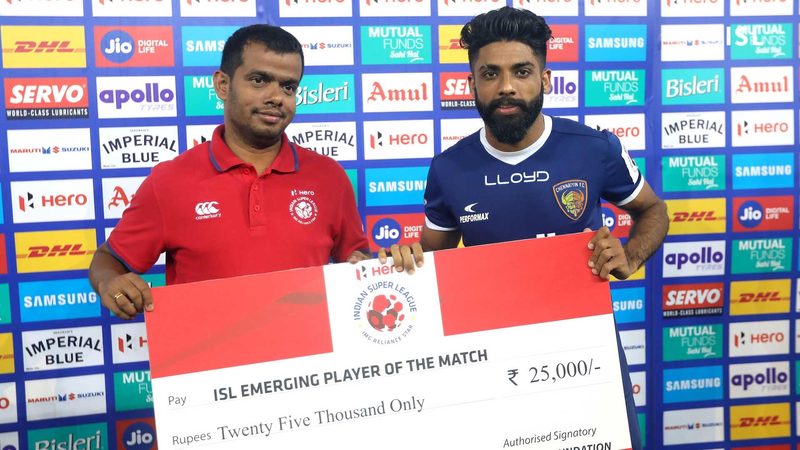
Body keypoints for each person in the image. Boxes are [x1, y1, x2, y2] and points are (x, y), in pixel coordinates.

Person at [395, 7, 668, 448]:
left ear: (544, 79)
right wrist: (405, 261)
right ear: (472, 84)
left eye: (521, 72)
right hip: (489, 358)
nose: (506, 86)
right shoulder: (449, 168)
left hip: (587, 352)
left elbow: (653, 210)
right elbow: (431, 261)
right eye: (490, 73)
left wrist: (630, 256)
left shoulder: (594, 148)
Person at [89, 24, 420, 320]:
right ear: (223, 84)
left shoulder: (329, 178)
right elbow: (108, 259)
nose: (276, 97)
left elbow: (356, 261)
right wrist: (110, 282)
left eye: (288, 87)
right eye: (259, 80)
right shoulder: (169, 182)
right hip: (206, 365)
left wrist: (386, 265)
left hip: (311, 363)